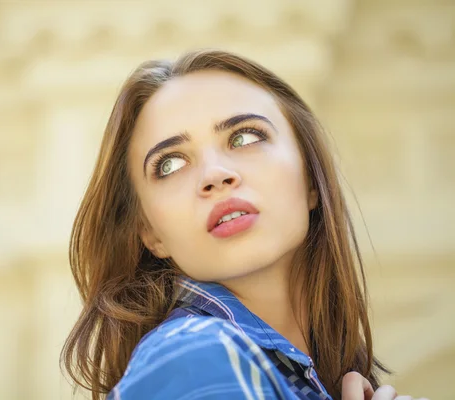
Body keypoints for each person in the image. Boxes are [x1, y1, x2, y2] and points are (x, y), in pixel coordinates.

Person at [60, 50, 424, 400]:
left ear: (311, 179)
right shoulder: (196, 355)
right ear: (150, 233)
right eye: (170, 164)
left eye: (244, 137)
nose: (215, 175)